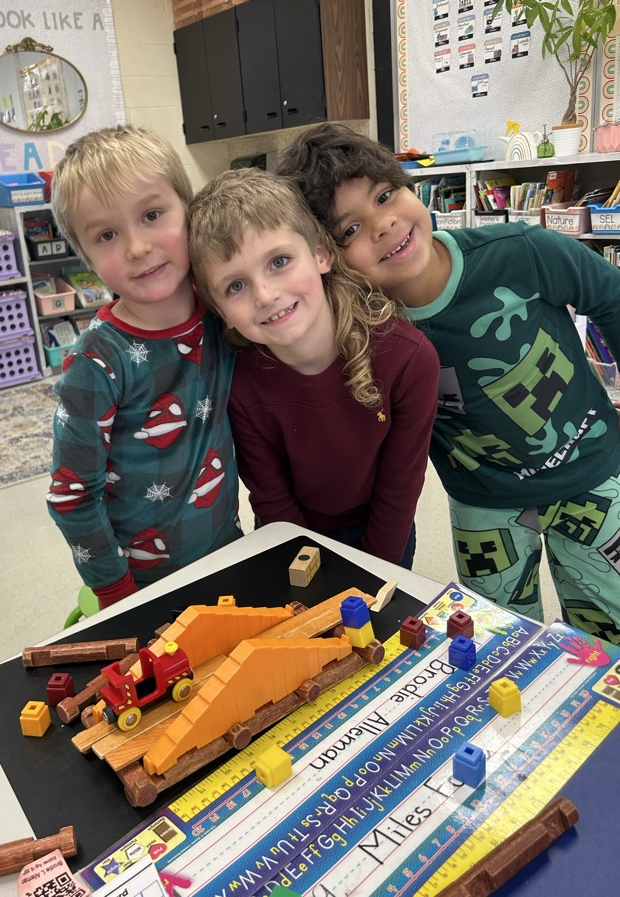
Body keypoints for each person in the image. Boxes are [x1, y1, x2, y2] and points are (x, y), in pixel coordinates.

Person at [278, 122, 620, 643]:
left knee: (610, 635)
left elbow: (611, 299)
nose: (384, 224)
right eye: (350, 229)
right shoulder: (366, 328)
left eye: (385, 195)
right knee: (498, 641)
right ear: (327, 256)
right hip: (483, 506)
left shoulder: (522, 249)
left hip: (595, 477)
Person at [187, 167, 439, 568]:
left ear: (321, 253)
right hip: (291, 536)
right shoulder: (240, 384)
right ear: (221, 312)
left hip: (384, 530)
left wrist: (373, 574)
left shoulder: (408, 359)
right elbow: (272, 500)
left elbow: (400, 489)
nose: (266, 295)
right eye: (236, 286)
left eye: (280, 261)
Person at [46, 125, 241, 609]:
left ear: (189, 210)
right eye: (107, 234)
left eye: (152, 215)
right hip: (143, 587)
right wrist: (115, 592)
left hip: (231, 552)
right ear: (85, 255)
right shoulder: (95, 362)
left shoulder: (225, 309)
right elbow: (72, 494)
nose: (136, 247)